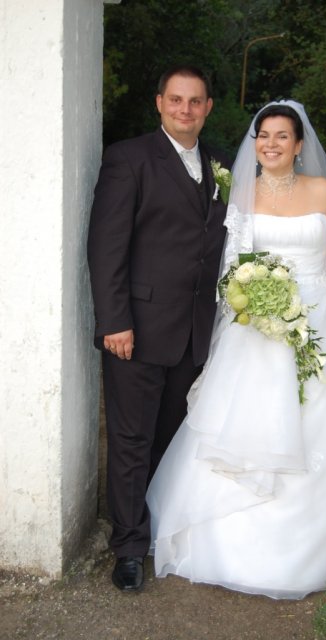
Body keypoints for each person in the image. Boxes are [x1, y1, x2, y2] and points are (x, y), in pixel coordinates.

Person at [146, 100, 326, 599]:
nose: (271, 144)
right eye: (263, 136)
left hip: (316, 323)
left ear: (299, 145)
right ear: (255, 144)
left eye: (281, 136)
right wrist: (254, 301)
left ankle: (309, 550)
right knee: (247, 426)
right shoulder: (240, 194)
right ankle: (229, 544)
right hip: (256, 327)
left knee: (320, 425)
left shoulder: (321, 191)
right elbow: (229, 267)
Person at [87, 66, 230, 592]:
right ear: (159, 103)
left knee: (169, 439)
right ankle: (127, 548)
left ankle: (154, 527)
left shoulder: (221, 163)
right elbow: (106, 245)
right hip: (137, 330)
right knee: (130, 439)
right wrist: (114, 321)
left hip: (194, 332)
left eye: (195, 101)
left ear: (207, 107)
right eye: (176, 100)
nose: (184, 110)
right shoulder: (128, 159)